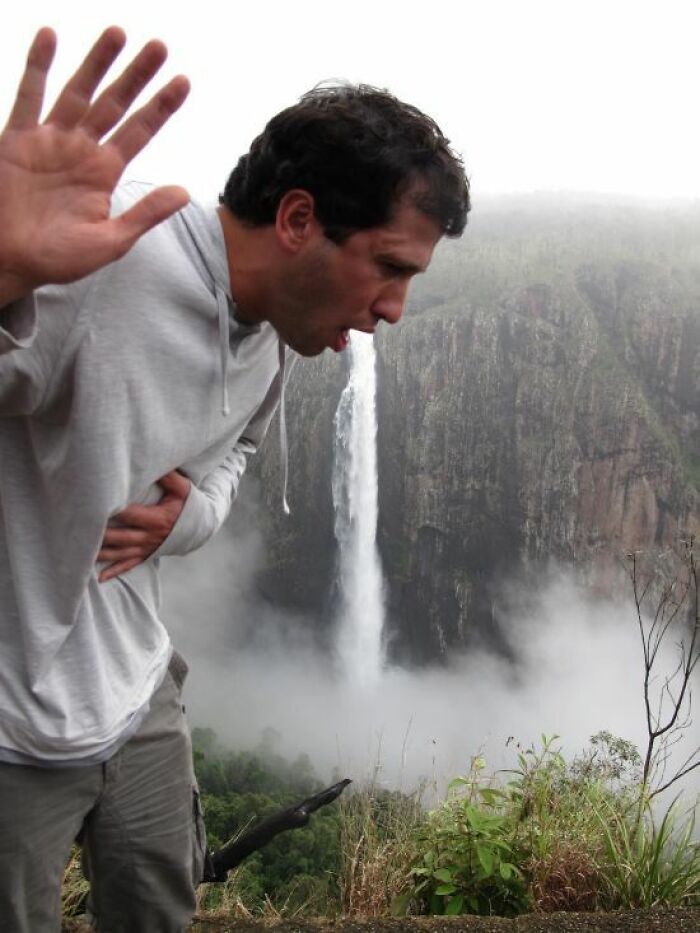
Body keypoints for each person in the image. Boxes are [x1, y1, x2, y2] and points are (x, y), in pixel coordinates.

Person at [0, 26, 470, 932]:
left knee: (161, 910)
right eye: (390, 267)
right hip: (15, 723)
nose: (395, 311)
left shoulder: (279, 334)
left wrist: (187, 521)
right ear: (297, 221)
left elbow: (234, 456)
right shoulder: (105, 261)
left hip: (136, 691)